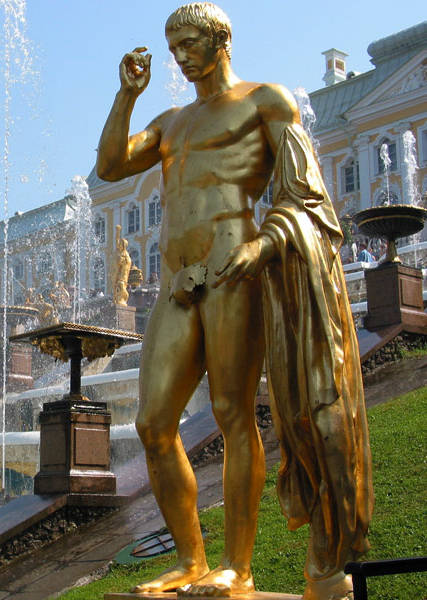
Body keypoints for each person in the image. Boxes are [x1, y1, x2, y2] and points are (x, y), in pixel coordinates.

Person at [96, 4, 371, 598]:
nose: (181, 57)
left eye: (191, 44)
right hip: (176, 282)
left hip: (231, 267)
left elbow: (308, 194)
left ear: (221, 39)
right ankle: (191, 562)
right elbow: (111, 165)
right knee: (152, 425)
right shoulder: (171, 122)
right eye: (174, 49)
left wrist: (266, 246)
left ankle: (238, 568)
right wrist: (127, 96)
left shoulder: (265, 102)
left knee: (231, 412)